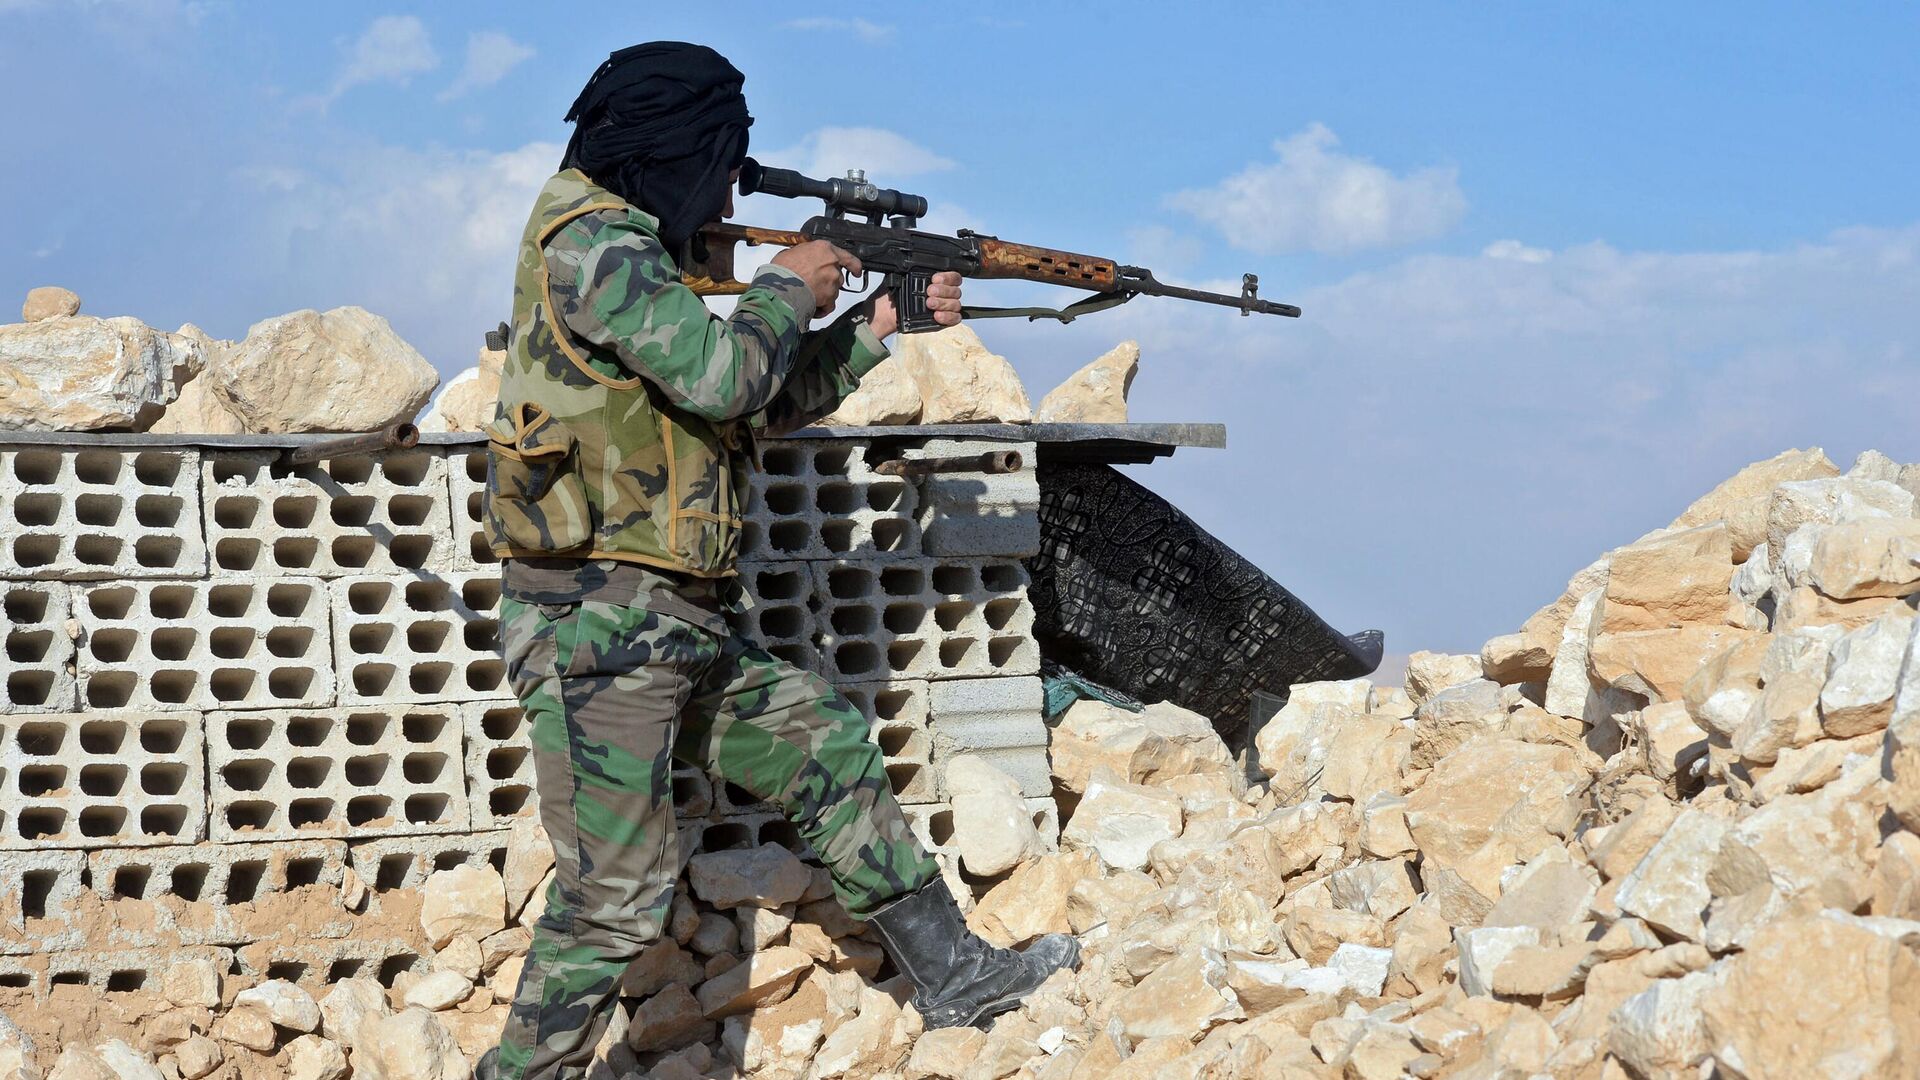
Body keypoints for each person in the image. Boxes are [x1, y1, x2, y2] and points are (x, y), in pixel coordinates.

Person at [480, 42, 1078, 1079]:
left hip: (671, 622)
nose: (724, 196)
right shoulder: (595, 244)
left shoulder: (634, 252)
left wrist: (873, 326)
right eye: (719, 168)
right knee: (613, 905)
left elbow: (751, 405)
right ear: (673, 148)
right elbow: (724, 374)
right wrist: (787, 285)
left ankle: (956, 978)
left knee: (826, 749)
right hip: (601, 630)